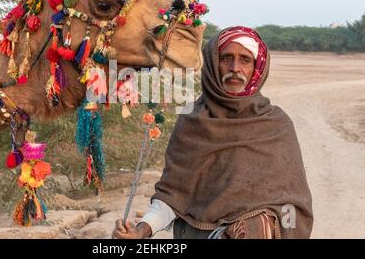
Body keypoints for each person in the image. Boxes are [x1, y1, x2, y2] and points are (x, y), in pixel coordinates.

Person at [112, 26, 313, 239]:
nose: (235, 68)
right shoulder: (192, 121)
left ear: (257, 68)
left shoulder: (276, 125)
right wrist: (142, 230)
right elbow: (173, 195)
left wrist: (255, 226)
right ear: (212, 63)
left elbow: (292, 203)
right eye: (226, 58)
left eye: (245, 60)